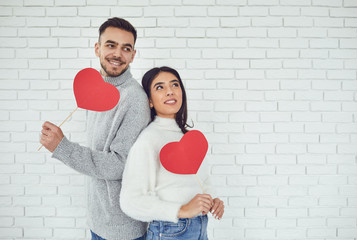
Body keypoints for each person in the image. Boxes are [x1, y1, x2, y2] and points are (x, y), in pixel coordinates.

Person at [40, 17, 150, 240]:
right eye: (111, 45)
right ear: (97, 48)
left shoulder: (134, 99)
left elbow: (119, 165)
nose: (117, 54)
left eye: (125, 48)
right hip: (98, 220)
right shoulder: (96, 90)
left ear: (133, 55)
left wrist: (62, 147)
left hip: (122, 229)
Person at [120, 66, 225, 240]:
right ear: (150, 101)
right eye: (160, 87)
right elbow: (130, 201)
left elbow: (202, 180)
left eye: (175, 85)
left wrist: (212, 200)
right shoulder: (149, 140)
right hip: (170, 231)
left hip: (200, 227)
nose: (170, 91)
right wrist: (181, 210)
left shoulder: (188, 138)